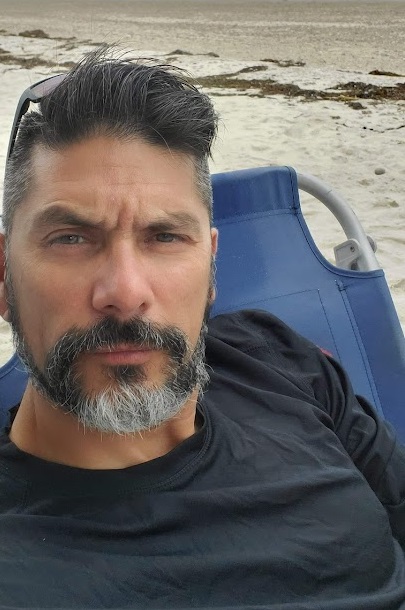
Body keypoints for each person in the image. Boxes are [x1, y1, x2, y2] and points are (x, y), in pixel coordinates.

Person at [0, 47, 404, 610]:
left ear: (211, 266)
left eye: (165, 236)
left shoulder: (279, 358)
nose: (126, 292)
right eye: (70, 238)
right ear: (4, 277)